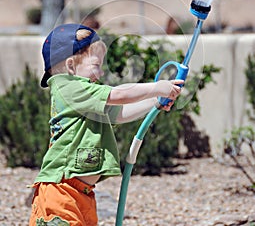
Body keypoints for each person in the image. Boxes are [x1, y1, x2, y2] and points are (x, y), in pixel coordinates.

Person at [29, 23, 184, 226]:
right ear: (70, 66)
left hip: (81, 193)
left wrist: (155, 102)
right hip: (60, 192)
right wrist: (156, 88)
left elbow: (119, 113)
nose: (101, 73)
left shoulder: (86, 97)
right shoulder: (68, 87)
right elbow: (119, 94)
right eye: (96, 65)